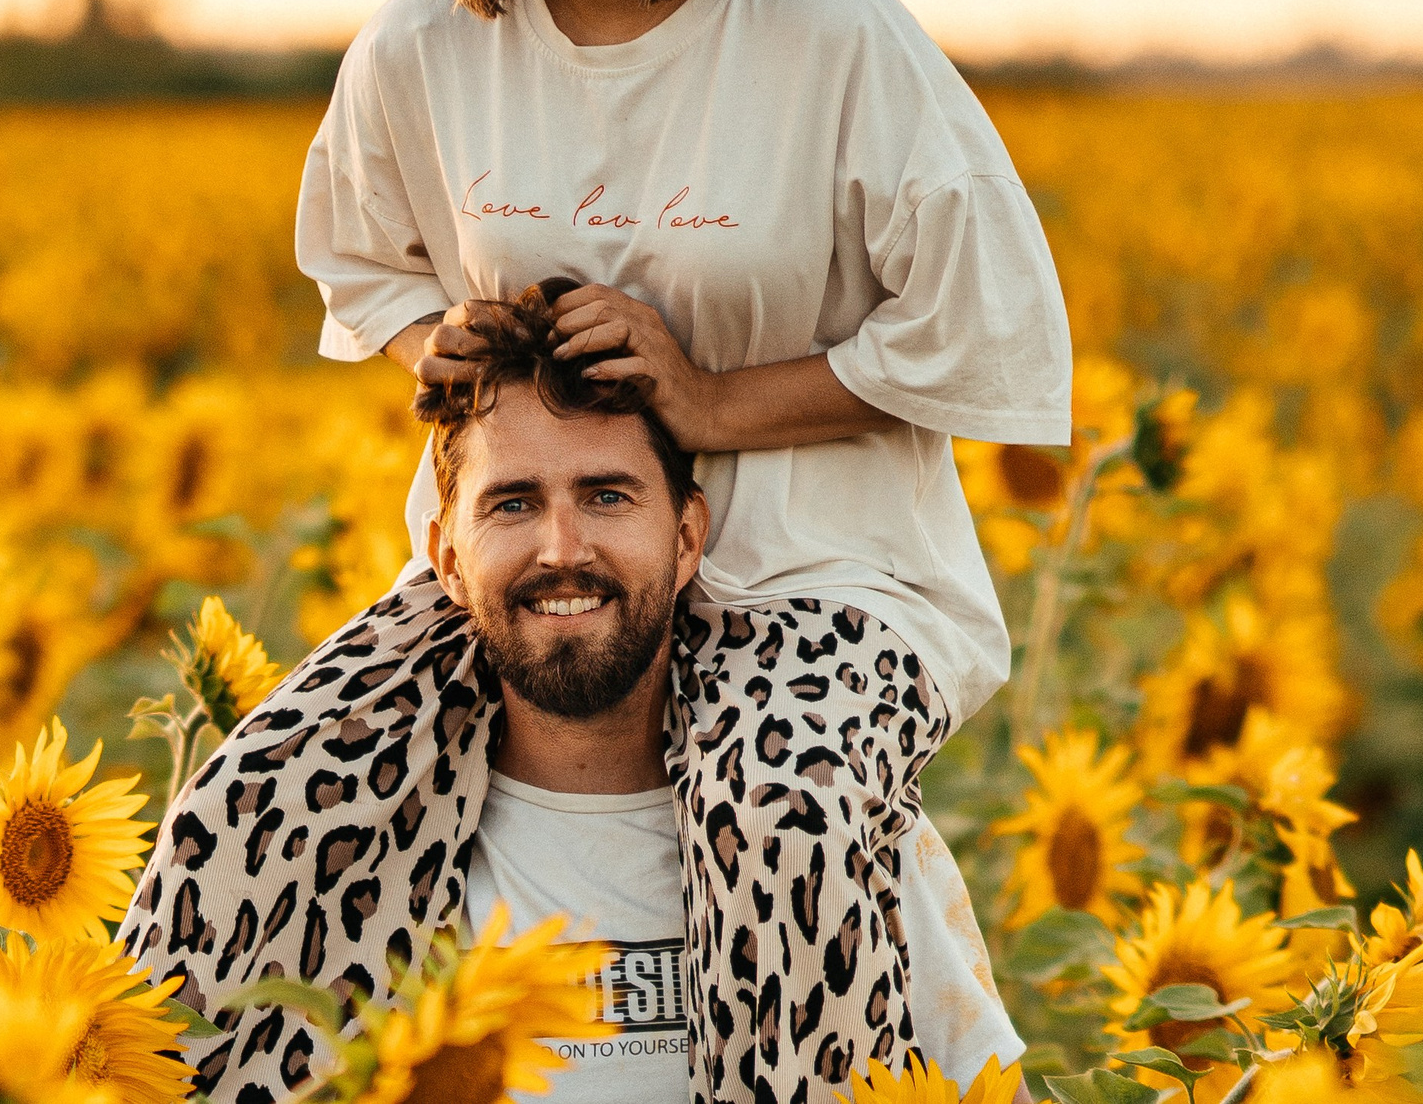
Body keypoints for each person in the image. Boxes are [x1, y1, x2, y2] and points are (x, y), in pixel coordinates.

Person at [120, 0, 1071, 1104]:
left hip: (825, 580)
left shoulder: (824, 29)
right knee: (262, 804)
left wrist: (705, 398)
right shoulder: (426, 46)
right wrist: (449, 345)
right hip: (542, 568)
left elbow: (991, 331)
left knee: (788, 819)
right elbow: (360, 264)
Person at [427, 291, 1024, 1101]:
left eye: (607, 496)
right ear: (447, 558)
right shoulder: (389, 858)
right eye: (513, 503)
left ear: (685, 540)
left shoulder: (831, 828)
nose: (562, 549)